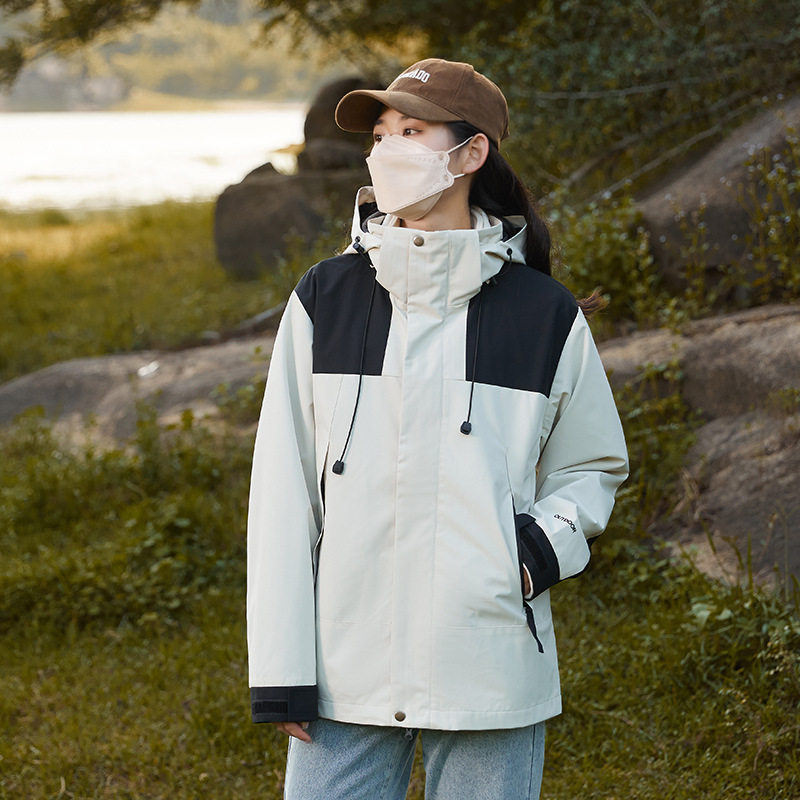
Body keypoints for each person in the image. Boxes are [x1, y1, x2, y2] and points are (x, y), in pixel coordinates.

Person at [247, 58, 629, 800]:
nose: (386, 150)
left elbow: (591, 466)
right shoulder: (325, 299)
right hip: (344, 665)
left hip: (487, 656)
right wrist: (282, 668)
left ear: (471, 152)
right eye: (380, 135)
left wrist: (527, 557)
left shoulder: (545, 314)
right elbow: (282, 487)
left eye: (411, 131)